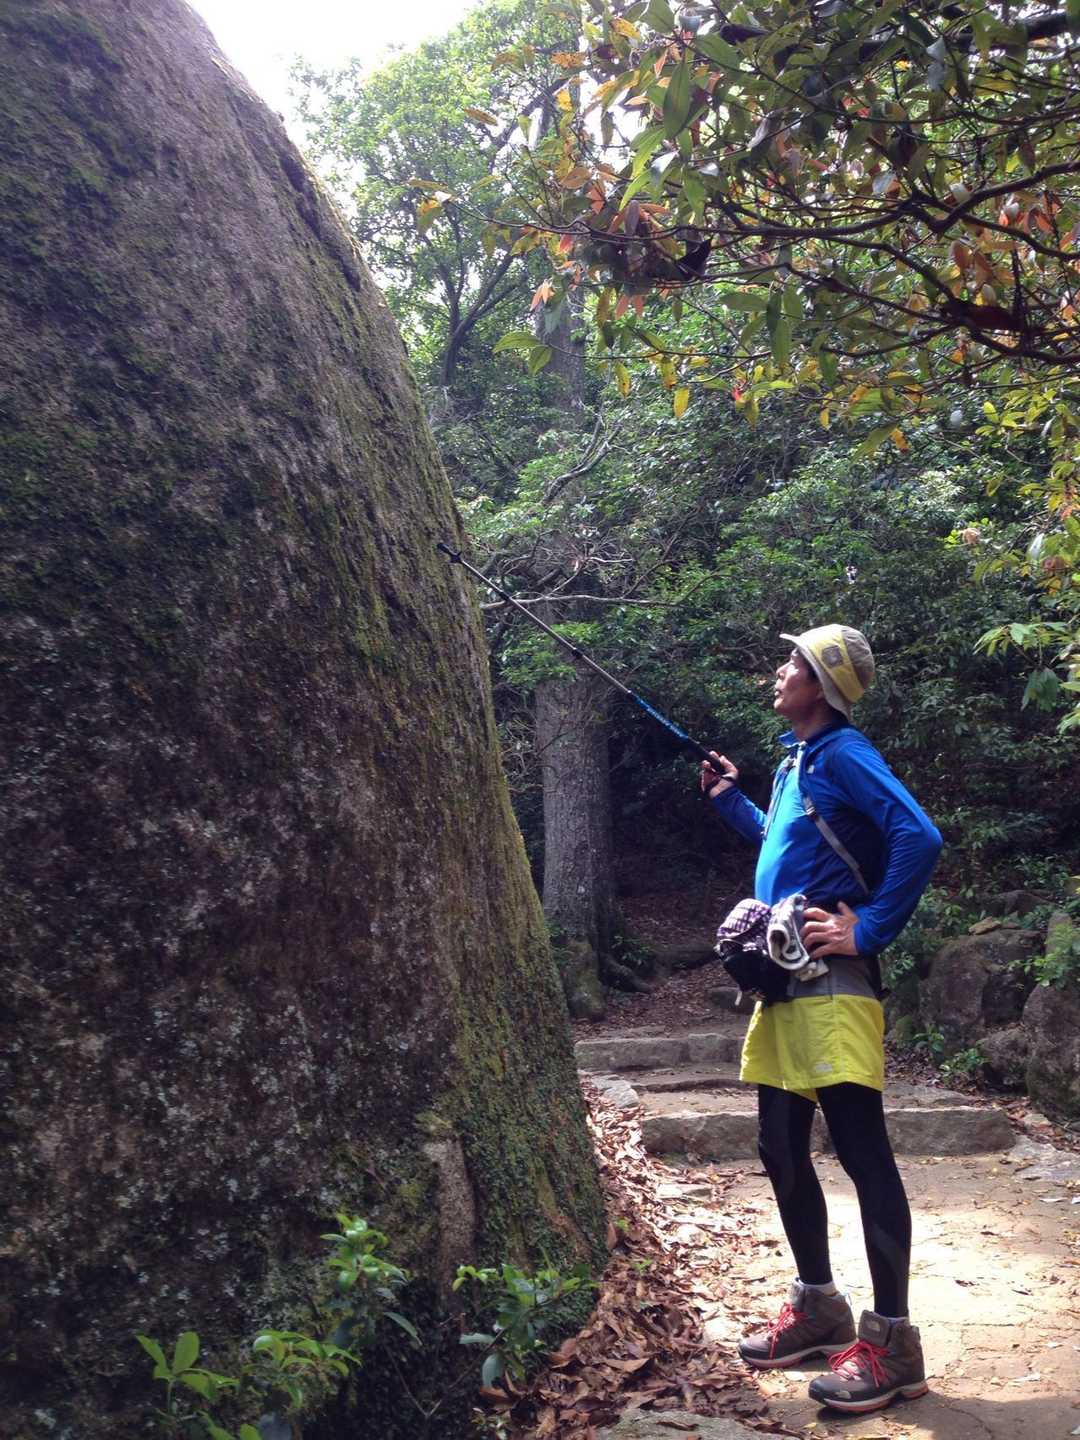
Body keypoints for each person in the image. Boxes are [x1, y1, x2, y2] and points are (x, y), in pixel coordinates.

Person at [701, 625, 942, 1415]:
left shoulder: (844, 753)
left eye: (795, 662)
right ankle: (819, 1309)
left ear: (824, 684)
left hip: (835, 984)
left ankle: (894, 1345)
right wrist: (731, 801)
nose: (781, 670)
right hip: (784, 984)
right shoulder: (796, 762)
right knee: (778, 1146)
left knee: (863, 1154)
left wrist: (868, 929)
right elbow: (782, 843)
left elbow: (918, 836)